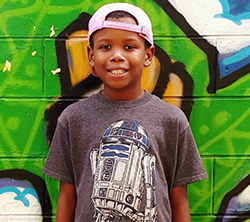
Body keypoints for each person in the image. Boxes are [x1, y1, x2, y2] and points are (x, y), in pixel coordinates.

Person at [43, 2, 207, 222]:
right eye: (105, 47)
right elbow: (67, 198)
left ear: (148, 55)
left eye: (129, 47)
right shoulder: (73, 118)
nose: (117, 56)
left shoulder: (172, 120)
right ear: (91, 57)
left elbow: (179, 200)